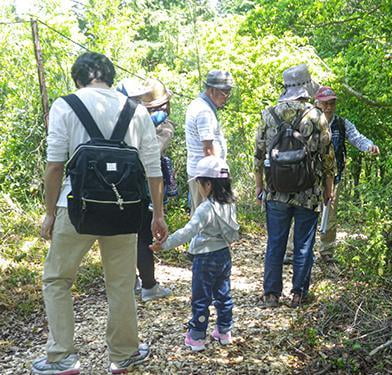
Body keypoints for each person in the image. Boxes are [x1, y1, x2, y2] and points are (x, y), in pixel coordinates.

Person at [34, 52, 168, 374]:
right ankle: (123, 354)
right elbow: (152, 170)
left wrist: (49, 213)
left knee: (57, 279)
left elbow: (54, 166)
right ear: (108, 76)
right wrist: (158, 215)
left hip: (74, 208)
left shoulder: (66, 105)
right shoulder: (136, 111)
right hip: (123, 210)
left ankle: (63, 357)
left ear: (77, 78)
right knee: (121, 283)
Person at [254, 64, 335, 308]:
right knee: (303, 244)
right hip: (308, 192)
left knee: (275, 242)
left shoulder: (269, 115)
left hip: (276, 190)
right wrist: (328, 189)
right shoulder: (316, 116)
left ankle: (271, 294)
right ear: (305, 88)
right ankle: (298, 294)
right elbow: (327, 157)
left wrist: (260, 188)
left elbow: (258, 155)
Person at [150, 155, 239, 351]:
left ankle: (197, 336)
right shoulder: (230, 204)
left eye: (199, 183)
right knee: (223, 294)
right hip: (224, 255)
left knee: (201, 297)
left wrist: (164, 244)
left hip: (205, 258)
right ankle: (224, 331)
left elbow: (187, 231)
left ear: (208, 184)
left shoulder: (205, 208)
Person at [116, 78, 174, 302]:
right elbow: (150, 158)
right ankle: (148, 286)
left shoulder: (113, 120)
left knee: (125, 237)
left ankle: (133, 283)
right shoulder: (143, 121)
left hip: (118, 188)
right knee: (141, 236)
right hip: (138, 188)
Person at [315, 86, 380, 258]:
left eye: (332, 103)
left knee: (330, 213)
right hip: (310, 177)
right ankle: (293, 251)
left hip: (334, 176)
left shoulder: (342, 124)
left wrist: (369, 146)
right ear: (318, 103)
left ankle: (326, 251)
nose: (329, 107)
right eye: (325, 103)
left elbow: (356, 137)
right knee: (304, 213)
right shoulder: (310, 122)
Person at [185, 70, 233, 214]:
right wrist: (216, 181)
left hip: (202, 174)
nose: (227, 97)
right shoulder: (204, 111)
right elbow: (208, 150)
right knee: (205, 219)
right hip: (207, 176)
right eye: (225, 92)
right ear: (212, 90)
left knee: (200, 215)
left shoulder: (200, 105)